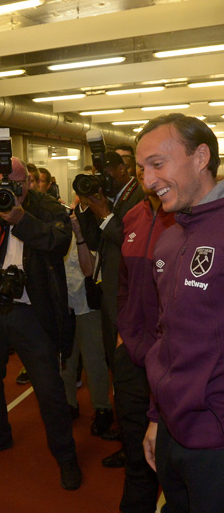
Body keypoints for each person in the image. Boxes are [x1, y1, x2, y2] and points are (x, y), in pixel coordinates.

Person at [0, 157, 82, 490]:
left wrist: (21, 219)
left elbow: (58, 243)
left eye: (14, 181)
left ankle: (66, 455)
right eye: (1, 182)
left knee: (48, 388)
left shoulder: (47, 207)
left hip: (31, 312)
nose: (8, 189)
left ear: (27, 182)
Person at [138, 114, 224, 512]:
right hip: (172, 431)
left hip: (216, 441)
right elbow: (164, 336)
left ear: (201, 156)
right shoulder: (170, 239)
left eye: (157, 163)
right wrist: (157, 418)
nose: (147, 180)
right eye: (142, 168)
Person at [75, 151, 144, 468]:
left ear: (122, 169)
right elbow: (95, 240)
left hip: (128, 300)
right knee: (115, 367)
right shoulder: (114, 197)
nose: (104, 177)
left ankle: (136, 446)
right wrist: (87, 208)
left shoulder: (139, 198)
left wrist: (103, 212)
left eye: (108, 172)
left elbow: (130, 242)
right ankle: (128, 428)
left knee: (130, 374)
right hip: (108, 295)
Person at [115, 161, 175, 513]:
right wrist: (124, 333)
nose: (144, 173)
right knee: (137, 457)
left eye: (155, 164)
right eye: (139, 166)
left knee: (174, 460)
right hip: (132, 358)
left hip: (172, 360)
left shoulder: (184, 217)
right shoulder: (132, 215)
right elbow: (124, 285)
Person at [60, 201, 113, 430]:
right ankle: (69, 404)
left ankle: (103, 408)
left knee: (94, 361)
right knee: (65, 361)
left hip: (87, 306)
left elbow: (89, 269)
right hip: (64, 305)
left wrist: (79, 235)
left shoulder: (94, 231)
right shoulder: (59, 230)